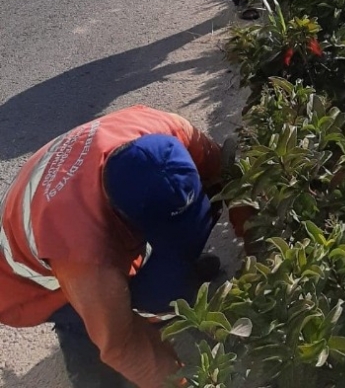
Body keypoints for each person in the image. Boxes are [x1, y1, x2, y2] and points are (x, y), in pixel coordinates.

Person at [0, 105, 234, 388]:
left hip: (76, 199)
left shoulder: (170, 129)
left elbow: (229, 172)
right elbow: (123, 345)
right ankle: (89, 366)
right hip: (29, 286)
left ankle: (178, 280)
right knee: (99, 329)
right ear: (121, 221)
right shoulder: (81, 253)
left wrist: (256, 251)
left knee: (163, 285)